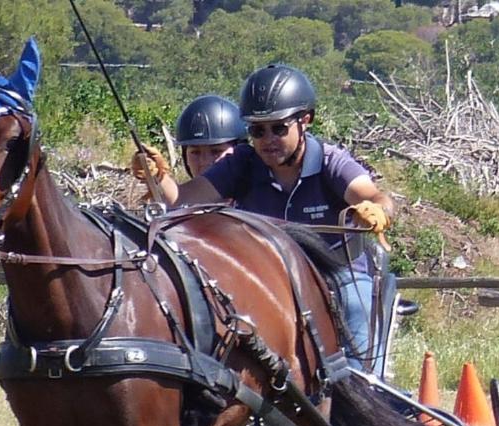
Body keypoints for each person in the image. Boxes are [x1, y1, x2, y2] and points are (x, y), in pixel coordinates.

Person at [133, 64, 396, 371]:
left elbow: (374, 196)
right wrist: (158, 177)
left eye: (278, 128)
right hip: (270, 279)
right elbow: (181, 199)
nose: (268, 139)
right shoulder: (243, 163)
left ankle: (366, 383)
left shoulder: (330, 161)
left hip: (339, 274)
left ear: (305, 120)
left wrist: (377, 210)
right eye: (258, 130)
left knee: (354, 308)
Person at [174, 94, 247, 179]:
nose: (205, 162)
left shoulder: (261, 190)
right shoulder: (186, 192)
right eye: (195, 152)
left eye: (216, 151)